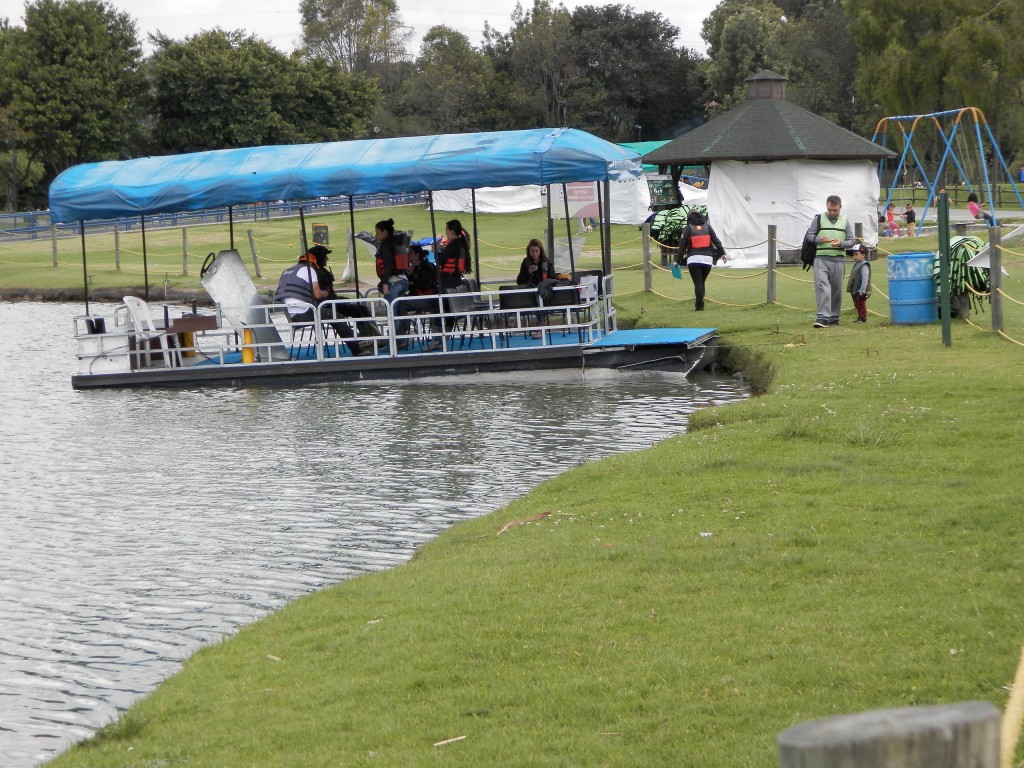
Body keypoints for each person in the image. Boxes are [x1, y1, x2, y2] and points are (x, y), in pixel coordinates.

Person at [275, 245, 366, 356]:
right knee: (337, 317)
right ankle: (358, 350)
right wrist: (327, 293)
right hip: (305, 312)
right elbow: (317, 294)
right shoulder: (310, 270)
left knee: (333, 315)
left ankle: (359, 342)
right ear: (315, 263)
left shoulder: (287, 271)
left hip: (291, 314)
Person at [805, 195, 855, 328]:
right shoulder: (818, 219)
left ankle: (834, 317)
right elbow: (809, 235)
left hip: (838, 259)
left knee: (836, 289)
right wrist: (818, 240)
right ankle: (822, 317)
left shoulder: (845, 221)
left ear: (840, 207)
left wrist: (841, 244)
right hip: (821, 258)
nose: (832, 213)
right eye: (830, 210)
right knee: (823, 287)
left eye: (835, 210)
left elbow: (852, 241)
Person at [675, 208, 727, 311]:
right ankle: (700, 303)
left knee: (698, 282)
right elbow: (716, 241)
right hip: (707, 259)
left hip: (694, 259)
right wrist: (722, 253)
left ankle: (699, 305)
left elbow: (682, 246)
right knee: (701, 282)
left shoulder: (688, 228)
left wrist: (678, 261)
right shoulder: (708, 227)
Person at [395, 244, 440, 348]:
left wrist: (410, 283)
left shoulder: (426, 267)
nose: (407, 255)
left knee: (400, 304)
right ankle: (403, 333)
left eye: (410, 253)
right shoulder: (414, 268)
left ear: (417, 255)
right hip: (418, 296)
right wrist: (409, 273)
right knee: (398, 301)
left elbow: (425, 285)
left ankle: (406, 332)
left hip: (427, 298)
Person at [516, 238, 552, 337]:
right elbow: (519, 281)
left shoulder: (546, 262)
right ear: (529, 251)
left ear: (540, 251)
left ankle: (540, 326)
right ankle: (541, 326)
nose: (534, 253)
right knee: (536, 298)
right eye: (532, 251)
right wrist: (528, 273)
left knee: (540, 298)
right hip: (530, 292)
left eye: (536, 251)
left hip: (545, 291)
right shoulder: (526, 262)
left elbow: (553, 277)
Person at [373, 218, 409, 305]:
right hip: (404, 281)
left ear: (384, 232)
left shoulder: (386, 243)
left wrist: (385, 283)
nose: (375, 236)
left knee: (391, 314)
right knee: (400, 312)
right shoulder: (399, 242)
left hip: (393, 282)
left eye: (377, 233)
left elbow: (388, 264)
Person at [437, 219, 471, 291]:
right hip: (456, 278)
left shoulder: (453, 245)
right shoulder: (461, 243)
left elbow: (440, 261)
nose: (446, 233)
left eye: (446, 230)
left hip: (449, 280)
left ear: (451, 231)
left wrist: (435, 251)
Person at [846, 244, 871, 323]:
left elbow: (865, 278)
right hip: (855, 289)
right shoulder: (856, 264)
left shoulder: (864, 266)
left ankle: (862, 317)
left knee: (861, 304)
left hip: (860, 290)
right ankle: (859, 316)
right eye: (853, 255)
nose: (854, 256)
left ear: (863, 255)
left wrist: (862, 290)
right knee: (856, 304)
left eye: (856, 254)